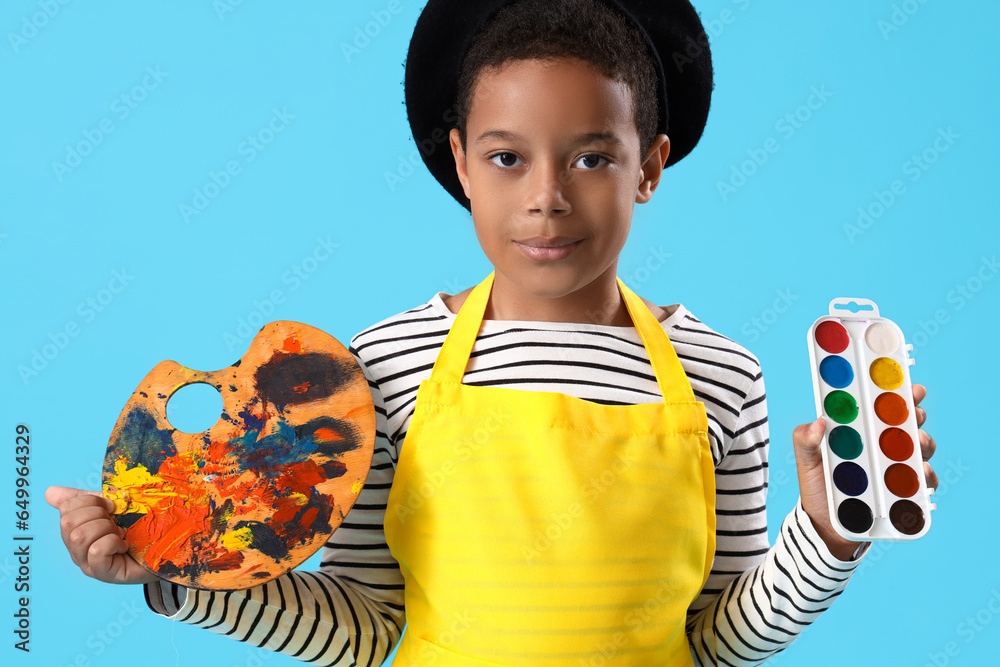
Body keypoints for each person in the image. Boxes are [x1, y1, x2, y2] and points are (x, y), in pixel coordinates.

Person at [46, 1, 939, 665]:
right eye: (507, 158)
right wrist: (175, 574)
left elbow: (718, 640)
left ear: (650, 167)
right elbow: (362, 625)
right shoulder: (385, 366)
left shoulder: (723, 373)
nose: (546, 195)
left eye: (592, 156)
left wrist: (826, 538)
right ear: (461, 163)